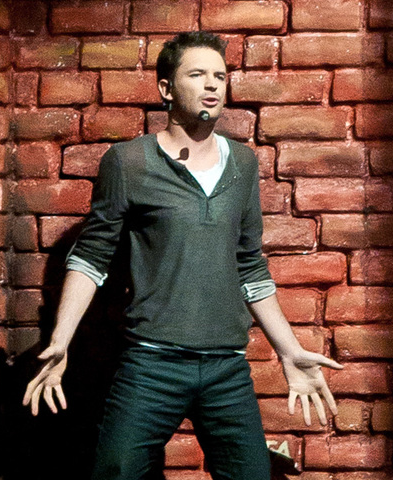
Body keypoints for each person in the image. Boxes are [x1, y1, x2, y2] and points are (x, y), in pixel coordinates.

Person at [22, 31, 343, 480]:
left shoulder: (243, 164)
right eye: (197, 74)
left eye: (220, 76)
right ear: (166, 88)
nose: (212, 84)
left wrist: (289, 351)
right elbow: (92, 257)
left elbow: (250, 265)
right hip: (151, 364)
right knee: (115, 473)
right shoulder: (129, 162)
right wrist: (60, 341)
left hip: (226, 368)